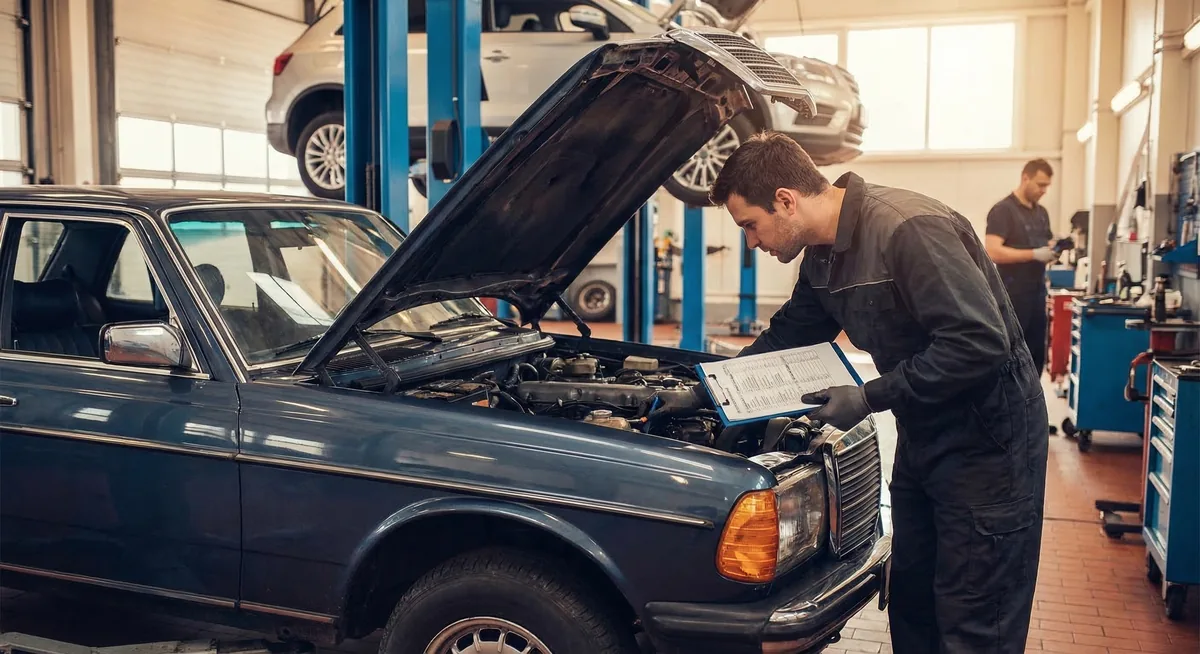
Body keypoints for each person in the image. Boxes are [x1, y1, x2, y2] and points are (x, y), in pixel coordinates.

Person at [706, 132, 1049, 654]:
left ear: (785, 200)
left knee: (976, 612)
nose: (752, 242)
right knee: (912, 596)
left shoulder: (909, 230)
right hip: (925, 436)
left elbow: (978, 344)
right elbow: (788, 335)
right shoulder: (822, 258)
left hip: (990, 444)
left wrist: (867, 397)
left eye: (750, 225)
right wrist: (714, 389)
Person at [983, 159, 1058, 374]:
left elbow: (1046, 242)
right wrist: (1034, 254)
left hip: (1037, 292)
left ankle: (1032, 403)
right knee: (1012, 354)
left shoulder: (1041, 213)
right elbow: (993, 251)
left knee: (1035, 354)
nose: (1044, 190)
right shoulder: (1003, 211)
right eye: (1040, 184)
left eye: (1047, 186)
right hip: (1012, 294)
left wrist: (1053, 249)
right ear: (1026, 178)